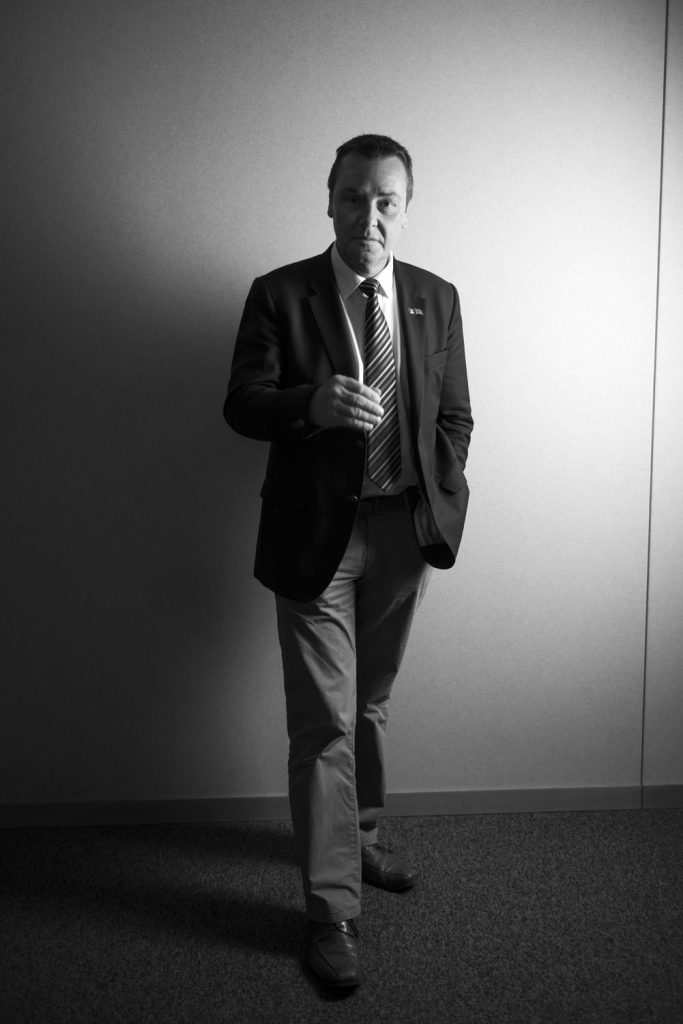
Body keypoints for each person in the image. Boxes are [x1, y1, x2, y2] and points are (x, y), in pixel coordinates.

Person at [225, 134, 473, 987]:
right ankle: (331, 912)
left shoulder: (435, 298)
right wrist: (310, 404)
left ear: (405, 206)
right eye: (352, 197)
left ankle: (361, 835)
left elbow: (456, 416)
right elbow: (241, 404)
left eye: (385, 200)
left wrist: (442, 489)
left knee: (370, 704)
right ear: (327, 199)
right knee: (322, 722)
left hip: (403, 534)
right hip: (315, 539)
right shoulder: (278, 293)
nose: (368, 215)